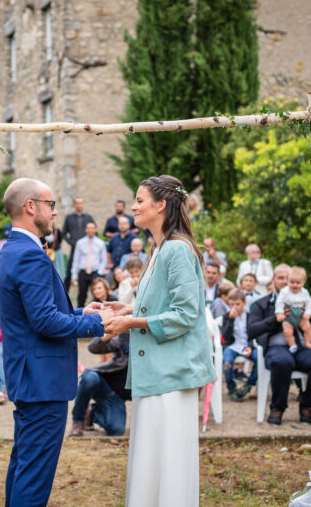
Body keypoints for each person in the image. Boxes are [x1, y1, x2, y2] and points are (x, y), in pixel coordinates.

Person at [0, 178, 109, 506]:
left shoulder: (11, 249)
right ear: (31, 207)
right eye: (51, 204)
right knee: (34, 473)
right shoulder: (30, 255)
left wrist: (80, 310)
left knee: (25, 464)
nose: (55, 213)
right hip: (42, 382)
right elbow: (44, 321)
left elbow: (35, 312)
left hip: (29, 376)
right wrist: (98, 322)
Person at [101, 174, 215, 506]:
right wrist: (129, 308)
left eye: (139, 200)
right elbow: (163, 305)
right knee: (150, 461)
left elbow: (184, 314)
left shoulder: (177, 249)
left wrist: (130, 322)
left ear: (161, 205)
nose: (133, 206)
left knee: (169, 464)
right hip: (156, 373)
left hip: (172, 375)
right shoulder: (160, 248)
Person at [248, 264, 311, 426]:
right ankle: (277, 407)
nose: (286, 282)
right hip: (276, 347)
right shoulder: (261, 304)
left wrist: (307, 315)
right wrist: (275, 318)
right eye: (281, 278)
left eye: (289, 278)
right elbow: (251, 330)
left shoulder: (303, 298)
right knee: (283, 362)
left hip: (301, 347)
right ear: (273, 280)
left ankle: (307, 405)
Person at [69, 331, 131, 437]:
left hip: (119, 397)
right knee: (90, 378)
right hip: (106, 386)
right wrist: (107, 336)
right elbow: (93, 347)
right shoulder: (126, 339)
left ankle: (91, 412)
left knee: (116, 430)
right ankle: (78, 422)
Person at [222, 289, 257, 402]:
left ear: (244, 303)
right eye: (232, 304)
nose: (235, 307)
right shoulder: (227, 316)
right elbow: (226, 337)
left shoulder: (249, 316)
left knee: (259, 358)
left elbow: (254, 334)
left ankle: (248, 385)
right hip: (233, 346)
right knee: (227, 363)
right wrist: (231, 320)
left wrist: (250, 346)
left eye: (238, 304)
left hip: (247, 345)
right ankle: (231, 387)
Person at [275, 267, 311, 353]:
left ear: (303, 282)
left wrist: (308, 313)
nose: (295, 285)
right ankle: (292, 345)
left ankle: (307, 343)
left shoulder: (305, 292)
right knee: (287, 331)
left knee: (308, 329)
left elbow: (309, 303)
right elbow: (279, 302)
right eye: (292, 282)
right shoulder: (284, 292)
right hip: (288, 316)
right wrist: (280, 313)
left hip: (301, 316)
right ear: (287, 281)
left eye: (298, 283)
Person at [71, 221, 108, 308]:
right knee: (81, 295)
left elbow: (104, 260)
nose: (90, 230)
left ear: (96, 230)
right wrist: (74, 275)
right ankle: (80, 312)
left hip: (95, 272)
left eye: (92, 228)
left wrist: (99, 272)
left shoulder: (100, 243)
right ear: (86, 230)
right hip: (83, 272)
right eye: (88, 228)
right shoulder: (80, 243)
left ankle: (97, 311)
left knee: (96, 294)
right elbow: (76, 259)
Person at [62, 196, 95, 287]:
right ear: (74, 205)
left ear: (83, 204)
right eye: (77, 203)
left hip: (87, 249)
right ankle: (65, 296)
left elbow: (94, 231)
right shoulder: (69, 218)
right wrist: (72, 242)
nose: (79, 205)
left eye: (81, 203)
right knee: (69, 273)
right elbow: (63, 233)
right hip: (74, 248)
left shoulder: (88, 217)